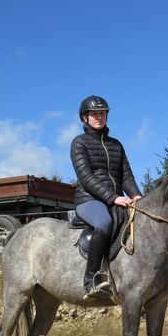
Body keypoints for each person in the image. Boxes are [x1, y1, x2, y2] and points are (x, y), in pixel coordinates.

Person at [70, 95, 142, 298]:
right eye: (94, 114)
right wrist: (113, 198)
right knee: (104, 222)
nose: (99, 117)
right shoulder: (79, 143)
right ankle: (91, 279)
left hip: (116, 198)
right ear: (85, 118)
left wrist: (136, 196)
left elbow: (126, 175)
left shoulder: (116, 145)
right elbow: (85, 177)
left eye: (102, 113)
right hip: (89, 200)